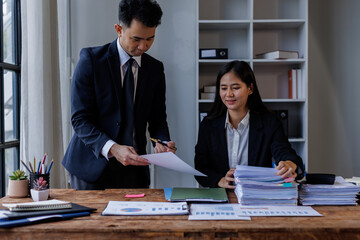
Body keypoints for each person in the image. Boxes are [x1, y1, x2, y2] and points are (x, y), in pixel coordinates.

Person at [62, 0, 175, 190]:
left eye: (150, 39)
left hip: (135, 171)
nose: (144, 46)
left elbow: (157, 119)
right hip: (91, 166)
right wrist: (113, 148)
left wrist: (162, 140)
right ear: (119, 29)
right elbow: (80, 120)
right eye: (136, 38)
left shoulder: (155, 69)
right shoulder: (91, 60)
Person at [194, 61, 304, 189]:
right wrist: (220, 180)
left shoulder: (269, 122)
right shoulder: (208, 124)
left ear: (250, 89)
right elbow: (200, 167)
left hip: (257, 194)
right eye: (223, 88)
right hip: (221, 195)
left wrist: (289, 164)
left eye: (235, 88)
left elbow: (285, 152)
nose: (229, 94)